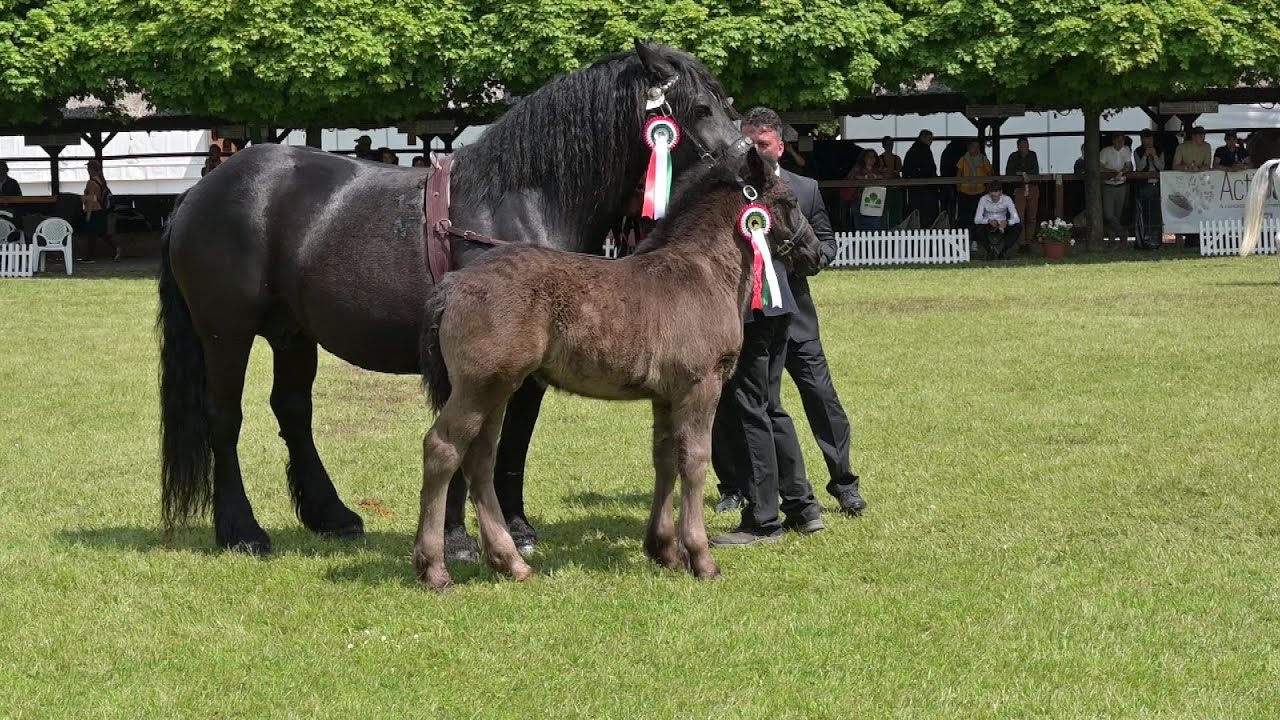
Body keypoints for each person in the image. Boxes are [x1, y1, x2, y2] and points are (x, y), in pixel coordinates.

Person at [714, 107, 867, 529]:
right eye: (749, 144)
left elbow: (825, 244)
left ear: (780, 145)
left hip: (795, 314)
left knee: (820, 398)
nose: (756, 151)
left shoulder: (805, 188)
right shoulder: (735, 191)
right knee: (748, 405)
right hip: (755, 315)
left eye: (763, 144)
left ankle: (844, 482)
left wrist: (799, 261)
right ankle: (739, 486)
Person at [1005, 137, 1040, 251]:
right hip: (1019, 188)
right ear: (1018, 146)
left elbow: (1035, 171)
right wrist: (1022, 174)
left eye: (1027, 145)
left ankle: (1029, 240)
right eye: (1023, 145)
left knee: (1032, 216)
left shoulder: (1033, 155)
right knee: (1019, 216)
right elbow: (1009, 172)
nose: (1025, 147)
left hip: (1032, 187)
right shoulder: (1013, 157)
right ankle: (1021, 242)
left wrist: (1026, 175)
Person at [80, 159, 118, 262]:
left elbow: (91, 199)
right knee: (101, 233)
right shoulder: (101, 181)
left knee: (92, 235)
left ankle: (90, 256)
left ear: (91, 169)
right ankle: (115, 249)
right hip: (100, 210)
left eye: (88, 168)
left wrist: (88, 214)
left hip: (94, 211)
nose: (87, 170)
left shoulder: (91, 183)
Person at [1133, 129, 1164, 250]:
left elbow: (1161, 167)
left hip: (1157, 185)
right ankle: (1143, 241)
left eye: (1150, 138)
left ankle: (1156, 241)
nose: (1148, 141)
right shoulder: (1138, 151)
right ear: (1142, 140)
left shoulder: (1160, 150)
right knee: (1144, 215)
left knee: (1156, 215)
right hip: (1144, 186)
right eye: (1145, 138)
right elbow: (1139, 168)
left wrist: (1154, 155)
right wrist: (1145, 156)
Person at [972, 182, 1021, 260]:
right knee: (977, 228)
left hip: (1002, 222)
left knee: (1018, 226)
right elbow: (977, 219)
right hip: (989, 223)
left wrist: (1007, 222)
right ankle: (990, 250)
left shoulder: (1007, 199)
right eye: (992, 196)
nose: (994, 198)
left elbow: (1016, 218)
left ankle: (1004, 251)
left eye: (996, 196)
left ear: (1001, 192)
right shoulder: (983, 199)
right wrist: (988, 221)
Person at [842, 149, 888, 231]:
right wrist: (864, 177)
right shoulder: (857, 168)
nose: (871, 158)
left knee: (875, 225)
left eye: (873, 156)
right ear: (864, 158)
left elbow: (889, 175)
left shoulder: (879, 168)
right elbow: (850, 177)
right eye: (868, 156)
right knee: (860, 226)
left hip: (876, 203)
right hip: (859, 200)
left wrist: (876, 177)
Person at [1099, 132, 1133, 241]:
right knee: (1109, 214)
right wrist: (1112, 172)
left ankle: (1112, 239)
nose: (1120, 143)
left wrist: (1121, 173)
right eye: (1118, 140)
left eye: (1122, 140)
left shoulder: (1126, 150)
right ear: (1113, 141)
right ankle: (1123, 232)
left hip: (1121, 185)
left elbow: (1129, 166)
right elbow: (1100, 167)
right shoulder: (1105, 151)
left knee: (1117, 215)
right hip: (1108, 185)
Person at [903, 130, 939, 225]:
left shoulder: (911, 151)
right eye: (929, 138)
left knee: (915, 212)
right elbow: (930, 168)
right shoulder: (924, 150)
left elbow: (906, 170)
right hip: (926, 188)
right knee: (927, 212)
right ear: (922, 138)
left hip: (914, 187)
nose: (931, 141)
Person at [955, 139, 992, 233]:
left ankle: (976, 239)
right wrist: (958, 186)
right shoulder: (963, 159)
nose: (975, 149)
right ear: (969, 147)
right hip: (965, 192)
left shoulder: (983, 159)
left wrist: (988, 187)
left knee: (978, 216)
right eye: (973, 147)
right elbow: (958, 173)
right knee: (965, 217)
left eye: (977, 147)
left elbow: (990, 173)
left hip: (979, 192)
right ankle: (965, 237)